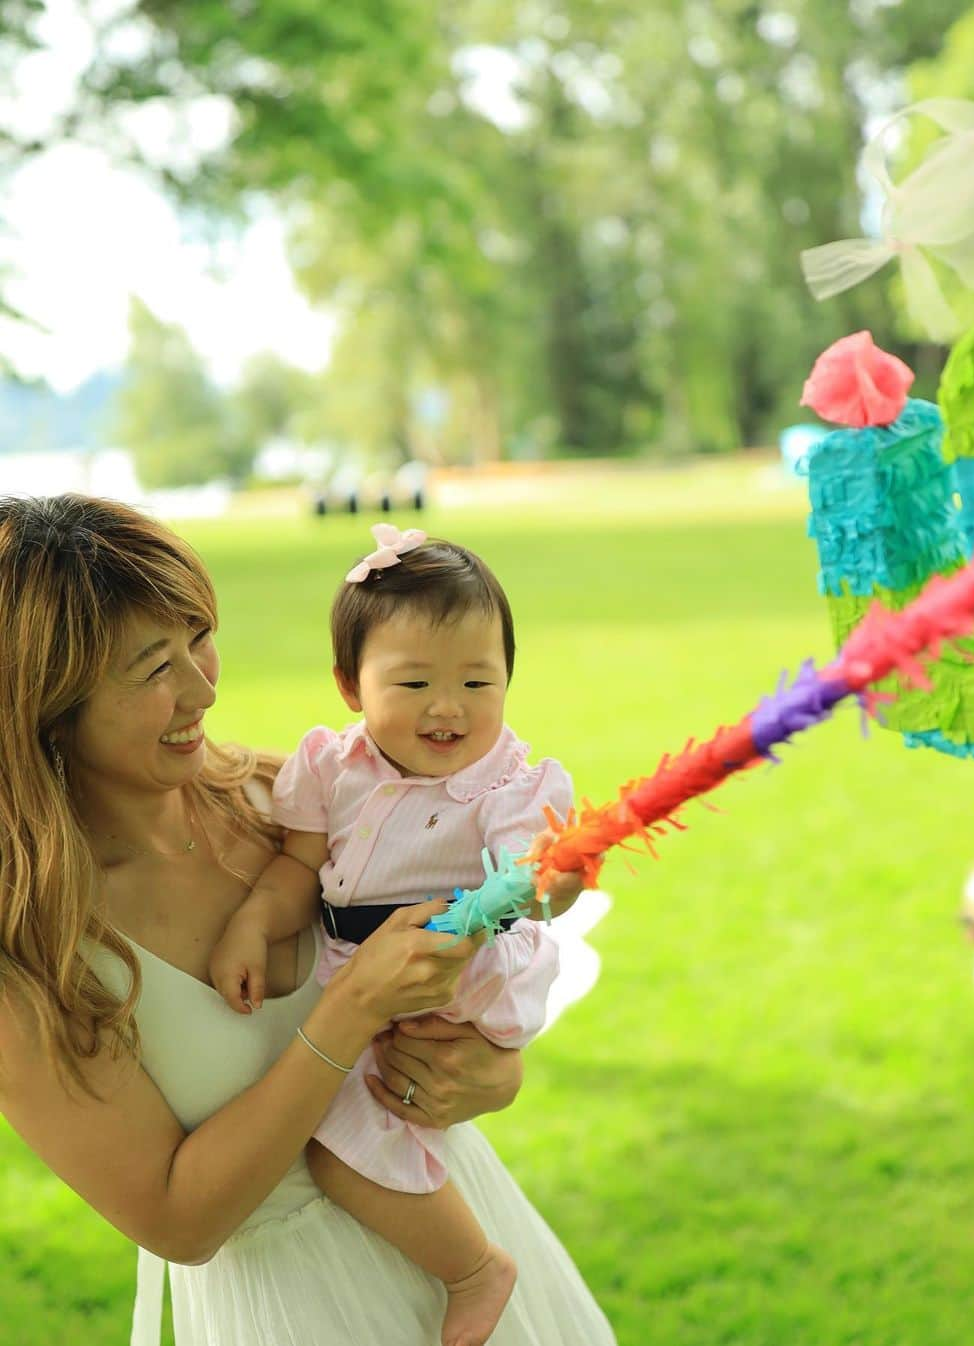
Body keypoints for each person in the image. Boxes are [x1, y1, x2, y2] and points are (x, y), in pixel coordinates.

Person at [0, 494, 617, 1346]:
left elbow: (487, 955)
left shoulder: (299, 802)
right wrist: (350, 1009)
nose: (203, 687)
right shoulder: (30, 948)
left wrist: (490, 1074)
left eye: (199, 637)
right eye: (153, 668)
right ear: (44, 704)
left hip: (467, 1241)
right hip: (296, 1312)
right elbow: (178, 1221)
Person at [209, 523, 586, 1346]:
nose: (448, 708)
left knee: (346, 1145)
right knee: (347, 1137)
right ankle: (470, 1259)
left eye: (478, 683)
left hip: (467, 958)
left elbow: (536, 866)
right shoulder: (328, 768)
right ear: (350, 684)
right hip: (362, 969)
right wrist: (250, 925)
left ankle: (475, 1268)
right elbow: (294, 872)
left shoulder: (507, 781)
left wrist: (552, 879)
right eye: (414, 682)